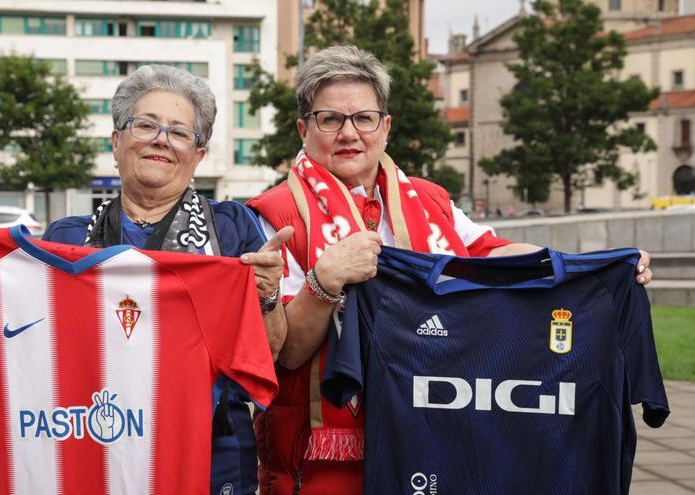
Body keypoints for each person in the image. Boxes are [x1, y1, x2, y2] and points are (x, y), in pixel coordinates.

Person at [246, 45, 653, 494]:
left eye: (363, 117)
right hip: (322, 455)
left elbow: (492, 254)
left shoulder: (427, 200)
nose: (349, 133)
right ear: (303, 129)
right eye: (330, 119)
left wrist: (595, 272)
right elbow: (285, 354)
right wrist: (325, 280)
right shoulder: (272, 216)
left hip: (427, 434)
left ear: (385, 128)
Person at [0, 64, 292, 495]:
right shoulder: (69, 237)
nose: (161, 139)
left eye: (180, 132)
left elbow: (270, 355)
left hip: (207, 454)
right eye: (146, 125)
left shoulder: (231, 229)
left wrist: (266, 298)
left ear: (198, 155)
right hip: (92, 444)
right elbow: (19, 342)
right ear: (116, 142)